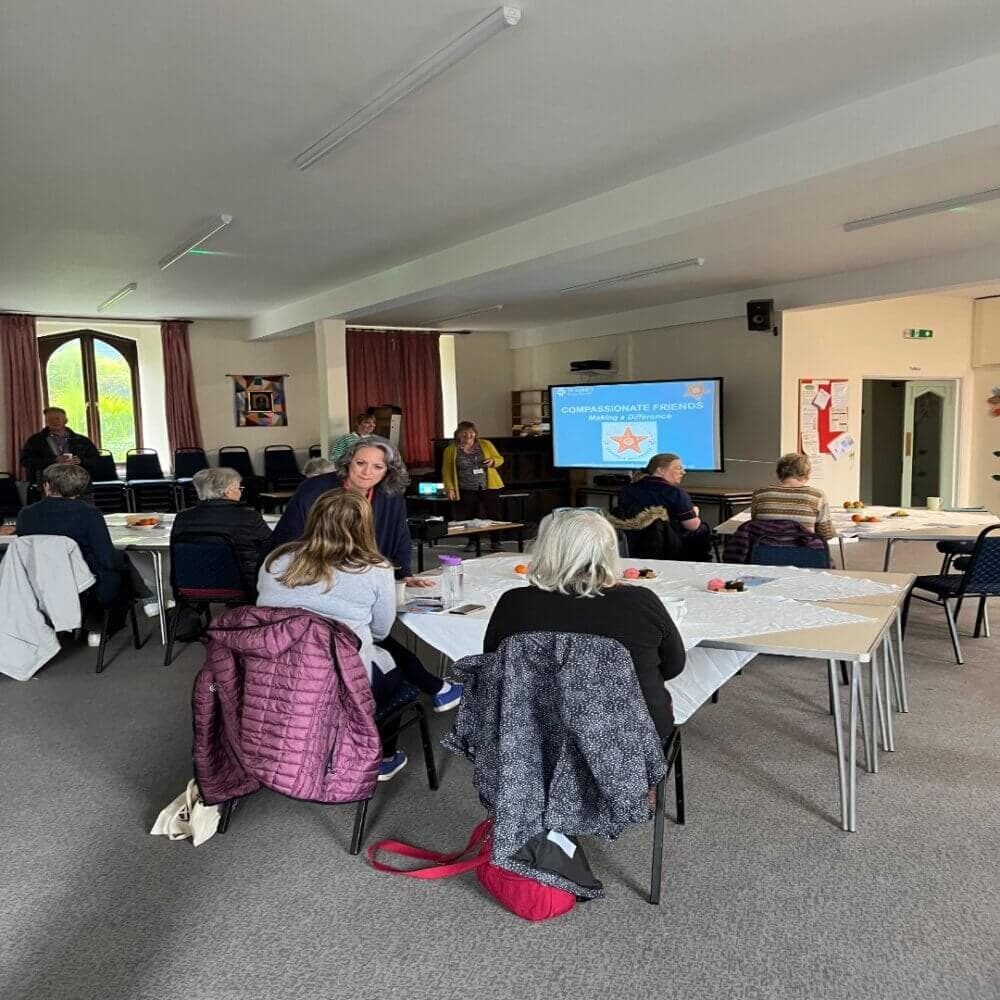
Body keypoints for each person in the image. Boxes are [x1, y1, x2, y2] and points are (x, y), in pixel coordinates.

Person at [258, 490, 453, 780]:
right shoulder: (375, 569)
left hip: (276, 674)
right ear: (365, 525)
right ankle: (384, 758)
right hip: (345, 679)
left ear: (313, 519)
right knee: (389, 665)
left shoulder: (276, 561)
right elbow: (379, 631)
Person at [267, 436, 460, 710]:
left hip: (357, 577)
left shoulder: (390, 494)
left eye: (377, 467)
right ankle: (431, 689)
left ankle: (436, 686)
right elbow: (287, 538)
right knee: (365, 635)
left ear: (388, 471)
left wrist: (402, 573)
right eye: (360, 463)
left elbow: (399, 535)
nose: (367, 472)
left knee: (351, 632)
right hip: (314, 573)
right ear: (348, 463)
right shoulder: (314, 490)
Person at [484, 510, 684, 744]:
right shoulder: (641, 602)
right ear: (609, 551)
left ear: (546, 549)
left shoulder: (513, 602)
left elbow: (495, 663)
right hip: (629, 738)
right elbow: (673, 666)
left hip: (537, 736)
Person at [16, 463, 151, 637]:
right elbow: (107, 559)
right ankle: (100, 625)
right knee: (119, 566)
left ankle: (144, 598)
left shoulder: (26, 514)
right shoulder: (88, 513)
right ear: (79, 490)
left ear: (47, 486)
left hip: (37, 584)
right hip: (84, 587)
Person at [171, 467, 272, 590]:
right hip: (242, 585)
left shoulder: (182, 517)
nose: (240, 492)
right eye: (239, 488)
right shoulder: (249, 517)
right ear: (228, 491)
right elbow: (272, 546)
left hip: (191, 585)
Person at [615, 453, 712, 560]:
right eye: (678, 468)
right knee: (703, 527)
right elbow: (692, 526)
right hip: (670, 545)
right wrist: (695, 512)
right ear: (660, 470)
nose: (683, 472)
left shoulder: (626, 490)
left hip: (632, 544)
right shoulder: (676, 494)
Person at [750, 453, 835, 539]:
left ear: (779, 473)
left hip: (764, 551)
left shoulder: (760, 494)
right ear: (807, 474)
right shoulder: (817, 496)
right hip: (804, 551)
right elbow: (826, 534)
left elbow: (755, 527)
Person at [20, 407, 100, 483]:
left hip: (79, 483)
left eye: (57, 418)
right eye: (50, 419)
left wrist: (81, 461)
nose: (54, 422)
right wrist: (54, 460)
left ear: (65, 420)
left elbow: (96, 460)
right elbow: (26, 461)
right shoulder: (35, 440)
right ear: (46, 421)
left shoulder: (81, 440)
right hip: (47, 484)